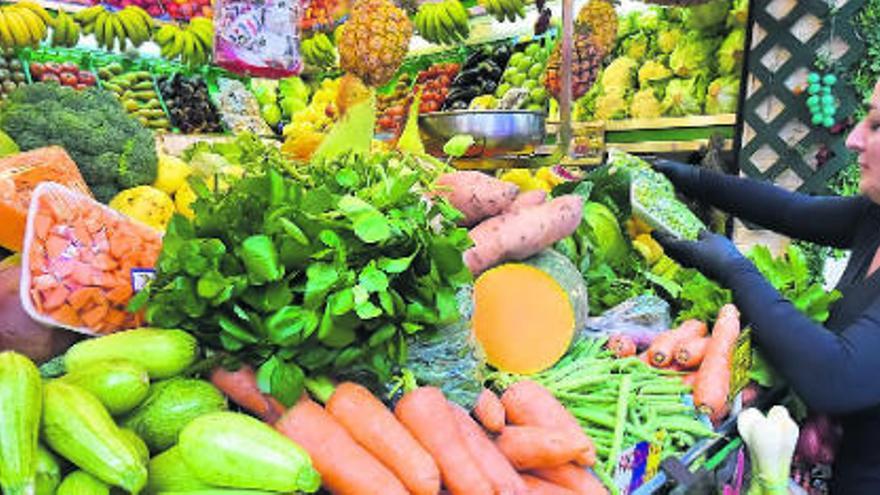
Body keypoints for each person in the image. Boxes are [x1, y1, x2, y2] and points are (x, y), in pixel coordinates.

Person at [649, 80, 880, 494]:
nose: (855, 139)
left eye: (878, 125)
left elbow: (836, 376)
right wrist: (689, 178)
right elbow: (790, 210)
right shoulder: (874, 218)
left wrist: (735, 271)